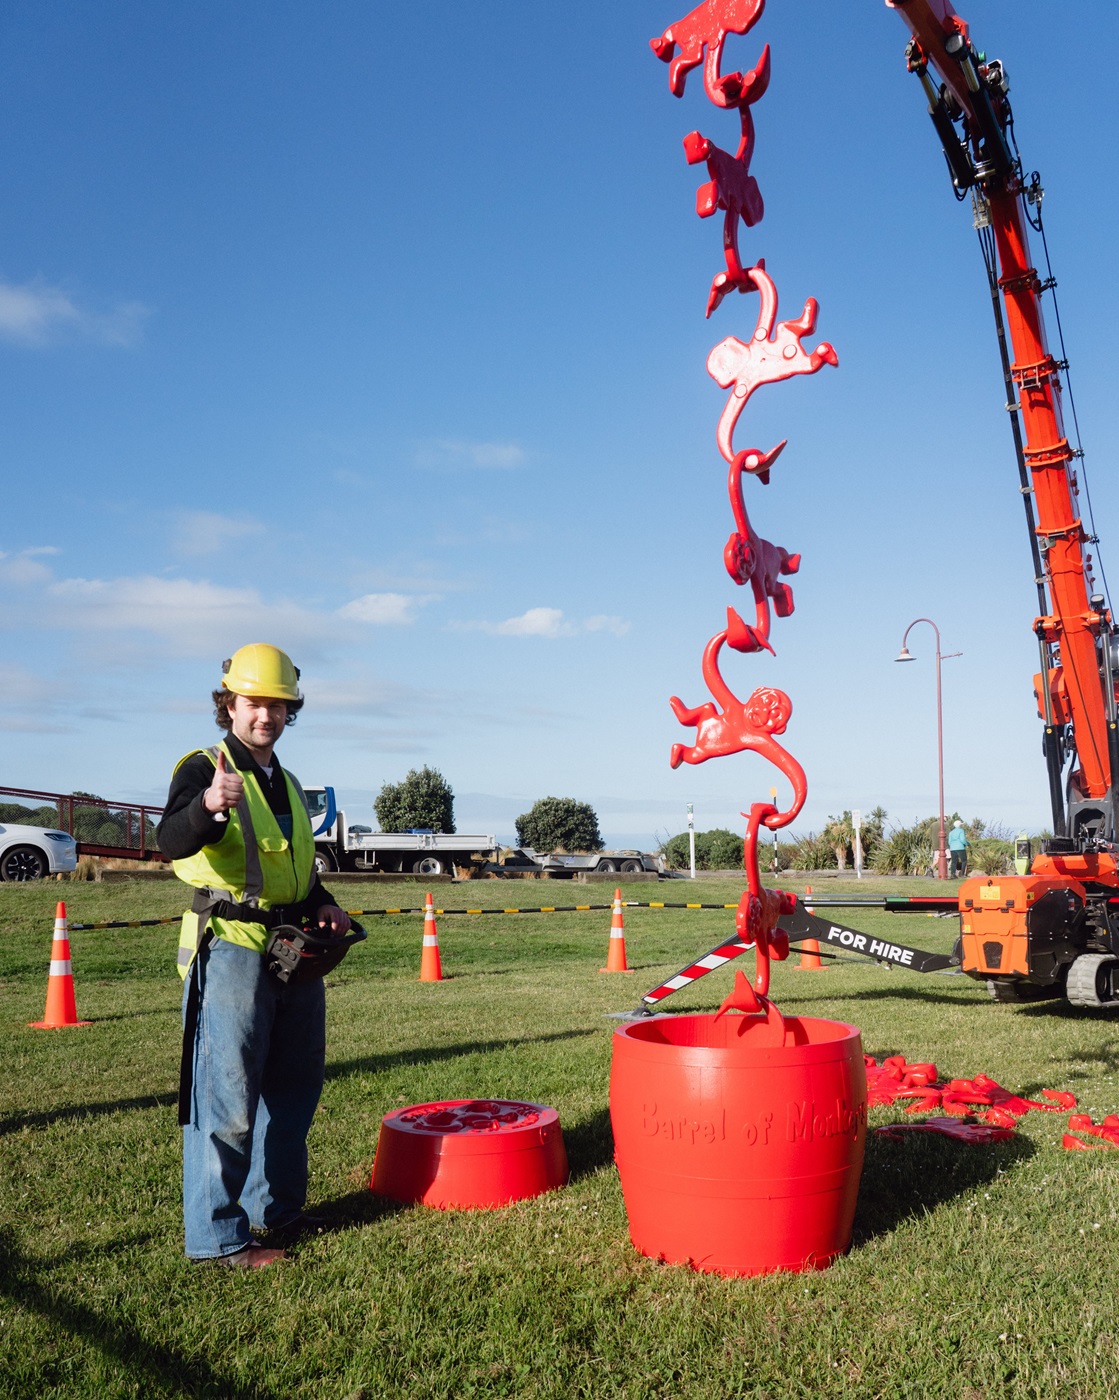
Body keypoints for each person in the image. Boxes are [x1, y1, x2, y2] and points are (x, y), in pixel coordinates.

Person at [157, 643, 351, 1268]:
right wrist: (209, 805)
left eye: (278, 704)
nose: (266, 715)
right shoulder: (203, 768)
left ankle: (278, 1212)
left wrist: (323, 902)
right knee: (227, 1099)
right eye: (253, 703)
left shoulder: (286, 783)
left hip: (292, 950)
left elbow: (292, 869)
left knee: (293, 1092)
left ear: (291, 709)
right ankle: (217, 1239)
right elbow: (172, 838)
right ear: (230, 704)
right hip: (233, 951)